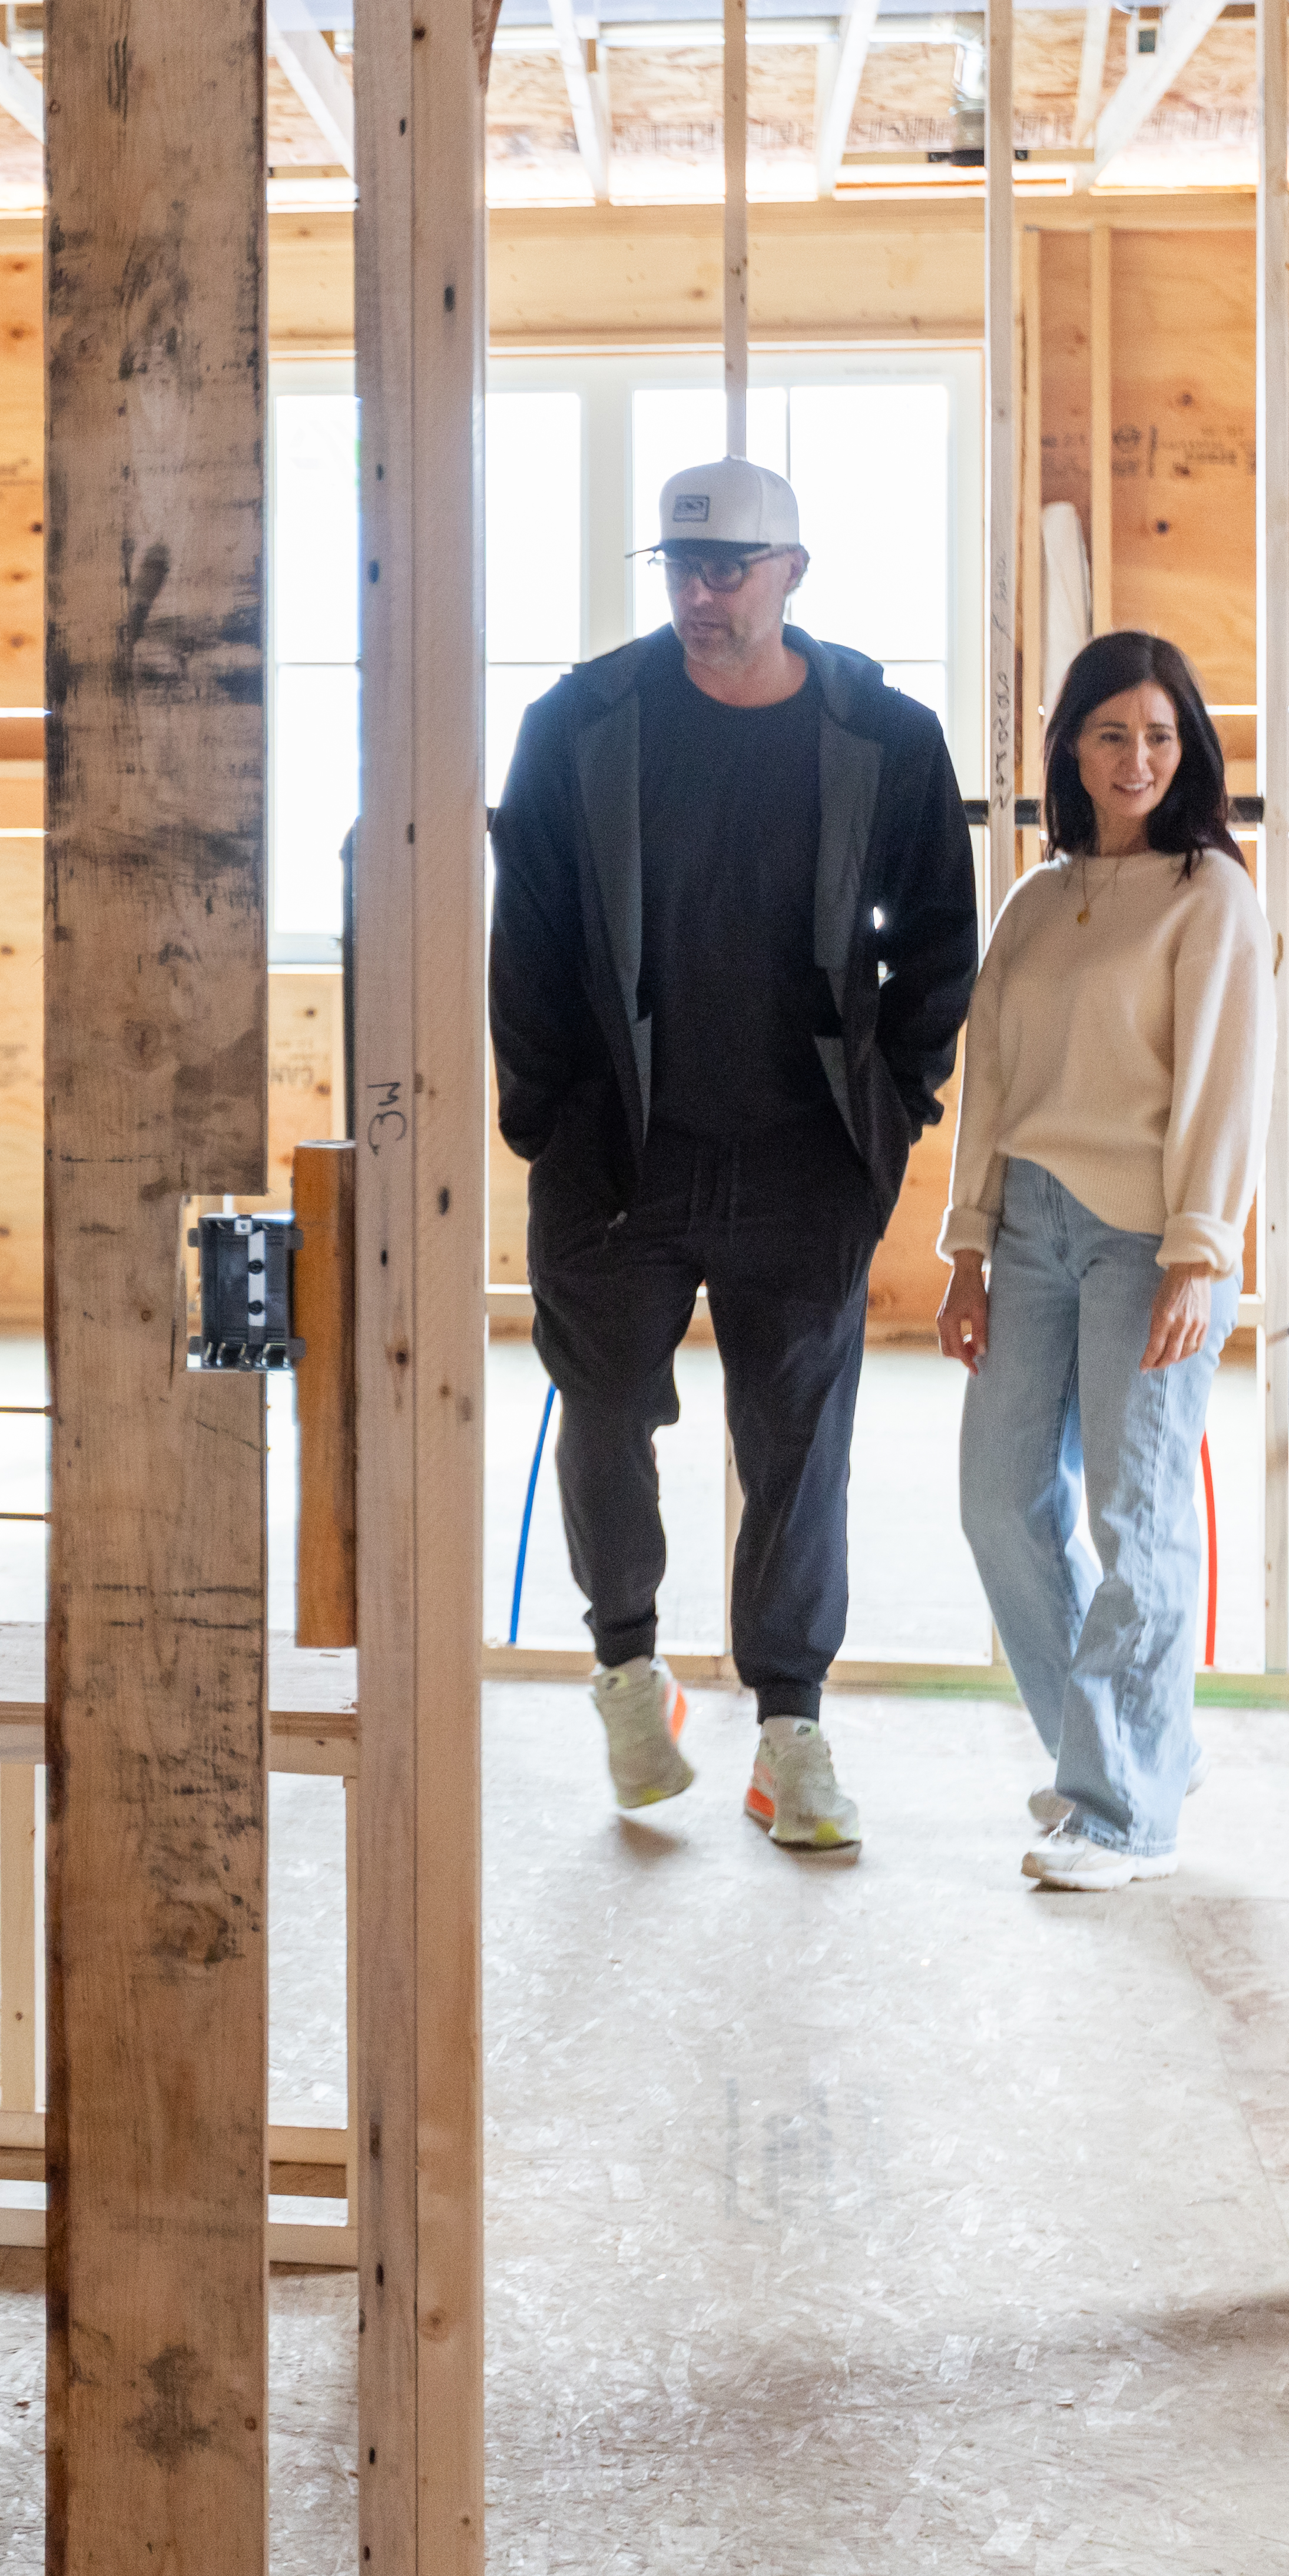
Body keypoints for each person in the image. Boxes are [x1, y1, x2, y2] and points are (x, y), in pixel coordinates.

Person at [491, 457, 980, 1855]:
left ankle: (790, 1727)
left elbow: (939, 943)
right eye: (680, 568)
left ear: (793, 572)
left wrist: (886, 1117)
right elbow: (521, 934)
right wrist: (547, 1119)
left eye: (730, 568)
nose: (702, 594)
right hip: (616, 1159)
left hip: (802, 1161)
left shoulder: (880, 733)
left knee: (799, 1444)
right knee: (604, 1414)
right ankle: (628, 1671)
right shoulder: (581, 721)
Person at [935, 631, 1271, 1892]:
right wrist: (966, 1245)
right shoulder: (1035, 898)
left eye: (1160, 735)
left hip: (1150, 1238)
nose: (1136, 757)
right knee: (997, 1499)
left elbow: (1225, 1088)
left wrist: (1200, 1250)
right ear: (1069, 745)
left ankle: (1125, 1812)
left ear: (1186, 751)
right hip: (1026, 1229)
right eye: (1111, 732)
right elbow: (993, 1085)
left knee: (1135, 1518)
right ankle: (1127, 1743)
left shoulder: (1209, 895)